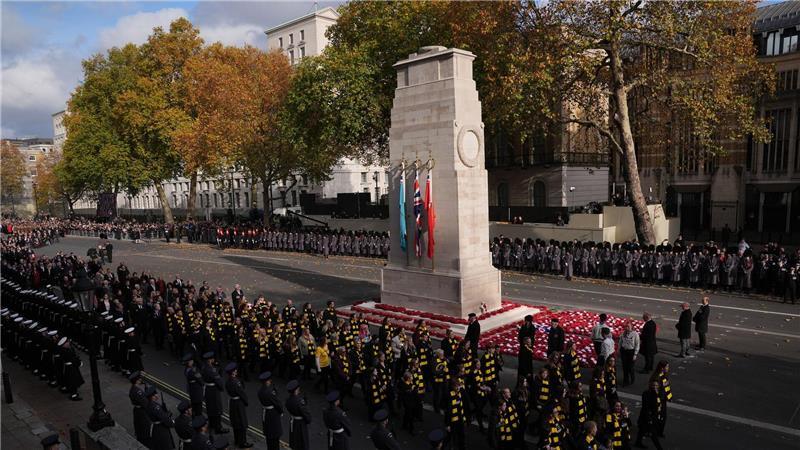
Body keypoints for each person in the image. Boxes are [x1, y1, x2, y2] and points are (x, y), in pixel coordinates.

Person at [224, 363, 252, 448]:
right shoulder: (236, 382)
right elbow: (242, 393)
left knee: (235, 422)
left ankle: (237, 440)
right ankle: (243, 442)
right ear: (232, 372)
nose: (236, 371)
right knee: (242, 423)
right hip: (238, 403)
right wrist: (246, 401)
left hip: (232, 402)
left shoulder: (228, 381)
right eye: (235, 370)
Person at [201, 352, 228, 435]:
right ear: (209, 360)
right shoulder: (211, 370)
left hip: (208, 390)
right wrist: (221, 387)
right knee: (217, 409)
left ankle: (212, 424)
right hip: (213, 391)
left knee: (210, 408)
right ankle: (218, 428)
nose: (214, 360)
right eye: (212, 359)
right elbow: (218, 381)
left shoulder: (204, 367)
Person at [634, 381, 665, 450]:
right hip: (647, 417)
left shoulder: (658, 394)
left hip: (652, 417)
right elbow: (646, 407)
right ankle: (659, 448)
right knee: (653, 434)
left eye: (656, 385)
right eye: (653, 385)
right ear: (650, 386)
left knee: (642, 430)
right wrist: (649, 419)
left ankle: (638, 443)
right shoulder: (646, 394)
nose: (655, 387)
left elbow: (659, 405)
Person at [144, 386, 176, 450]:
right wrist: (172, 422)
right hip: (161, 429)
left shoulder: (150, 404)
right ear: (151, 397)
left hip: (156, 428)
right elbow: (164, 418)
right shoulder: (155, 407)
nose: (156, 395)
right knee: (166, 445)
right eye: (154, 395)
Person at [258, 371, 283, 450]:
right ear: (267, 381)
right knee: (275, 436)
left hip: (266, 414)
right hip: (273, 414)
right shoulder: (269, 392)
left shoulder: (260, 391)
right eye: (269, 380)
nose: (270, 381)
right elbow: (278, 403)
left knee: (269, 436)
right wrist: (281, 411)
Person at [285, 380, 312, 450]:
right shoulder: (299, 401)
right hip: (300, 424)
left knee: (294, 442)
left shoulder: (288, 400)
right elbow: (308, 418)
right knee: (302, 443)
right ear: (296, 390)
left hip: (293, 423)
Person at [618, 322, 640, 387]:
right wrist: (619, 350)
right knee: (624, 367)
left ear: (631, 327)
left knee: (630, 367)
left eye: (628, 327)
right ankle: (625, 381)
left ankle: (632, 378)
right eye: (626, 326)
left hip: (631, 352)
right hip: (624, 351)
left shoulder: (635, 334)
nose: (626, 328)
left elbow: (637, 344)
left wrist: (635, 354)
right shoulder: (623, 333)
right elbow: (620, 342)